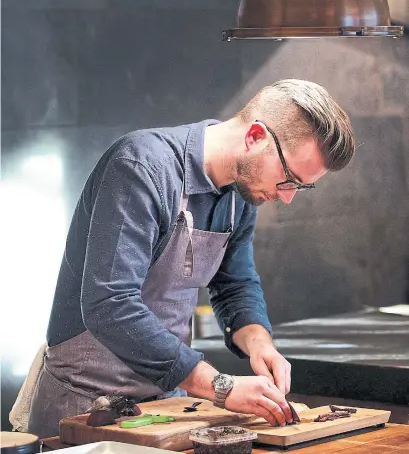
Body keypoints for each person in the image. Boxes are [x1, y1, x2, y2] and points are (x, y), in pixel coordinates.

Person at [26, 79, 355, 437]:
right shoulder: (140, 166)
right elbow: (110, 304)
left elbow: (234, 285)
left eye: (300, 187)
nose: (288, 198)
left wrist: (260, 344)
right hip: (84, 404)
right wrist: (220, 386)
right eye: (289, 179)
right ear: (255, 136)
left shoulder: (242, 194)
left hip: (166, 405)